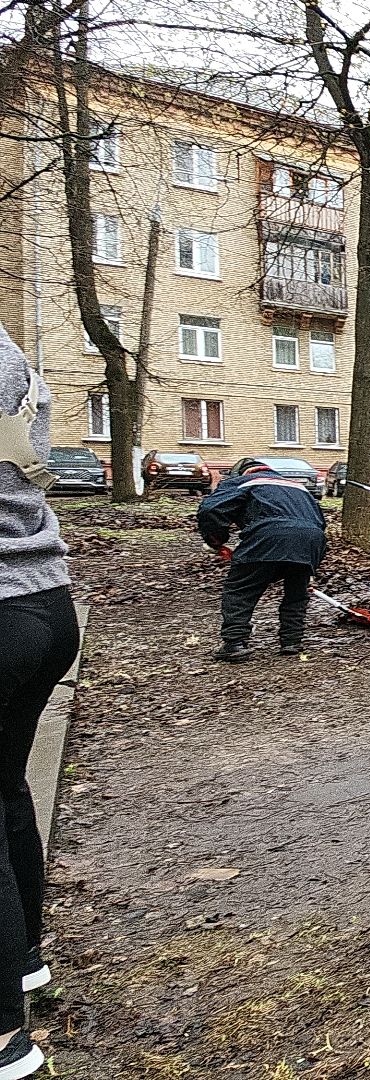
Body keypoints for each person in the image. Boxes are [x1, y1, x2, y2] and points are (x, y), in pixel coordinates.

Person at [0, 322, 74, 1077]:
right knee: (5, 786)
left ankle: (2, 1036)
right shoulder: (9, 353)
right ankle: (21, 956)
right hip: (44, 595)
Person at [197, 458, 328, 661]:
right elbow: (319, 520)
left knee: (240, 589)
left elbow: (210, 510)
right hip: (311, 539)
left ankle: (234, 643)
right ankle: (292, 641)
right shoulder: (298, 488)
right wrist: (309, 564)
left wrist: (216, 541)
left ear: (242, 473)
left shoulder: (243, 482)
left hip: (268, 535)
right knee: (296, 592)